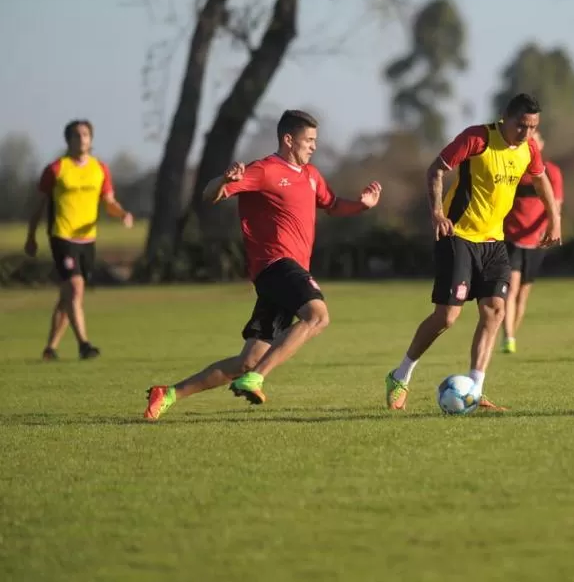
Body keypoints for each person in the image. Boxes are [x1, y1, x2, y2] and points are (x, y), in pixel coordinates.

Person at [143, 109, 382, 421]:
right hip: (275, 264)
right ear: (288, 139)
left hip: (284, 274)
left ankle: (170, 393)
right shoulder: (265, 170)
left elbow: (333, 205)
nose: (313, 146)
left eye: (315, 140)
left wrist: (361, 206)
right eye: (308, 140)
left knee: (247, 359)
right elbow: (209, 195)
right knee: (318, 316)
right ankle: (256, 378)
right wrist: (222, 181)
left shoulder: (311, 176)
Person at [384, 93, 562, 412]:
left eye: (533, 127)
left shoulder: (529, 148)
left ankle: (475, 391)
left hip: (494, 241)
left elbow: (540, 179)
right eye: (521, 125)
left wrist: (554, 219)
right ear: (506, 117)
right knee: (447, 317)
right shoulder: (477, 138)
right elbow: (436, 170)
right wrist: (438, 213)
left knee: (495, 310)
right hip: (458, 235)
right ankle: (400, 376)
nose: (526, 133)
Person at [24, 119, 135, 361]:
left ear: (91, 139)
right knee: (74, 289)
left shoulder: (100, 169)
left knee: (69, 297)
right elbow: (38, 207)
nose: (81, 138)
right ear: (68, 140)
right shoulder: (55, 169)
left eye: (85, 134)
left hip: (87, 240)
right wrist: (31, 237)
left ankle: (50, 348)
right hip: (62, 236)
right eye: (76, 135)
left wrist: (123, 214)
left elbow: (109, 203)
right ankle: (84, 345)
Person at [500, 130, 564, 354]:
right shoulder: (514, 170)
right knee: (511, 288)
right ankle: (507, 336)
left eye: (535, 139)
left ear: (542, 144)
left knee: (523, 294)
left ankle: (511, 335)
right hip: (511, 238)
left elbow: (555, 205)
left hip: (536, 242)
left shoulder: (552, 172)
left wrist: (549, 229)